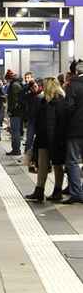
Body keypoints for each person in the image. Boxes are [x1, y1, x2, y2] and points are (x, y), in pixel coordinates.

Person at [24, 78, 67, 202]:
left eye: (43, 85)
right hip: (50, 138)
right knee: (48, 165)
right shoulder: (56, 101)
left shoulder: (51, 101)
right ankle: (45, 190)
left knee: (53, 165)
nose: (41, 87)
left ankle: (48, 191)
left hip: (52, 138)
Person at [63, 60, 83, 204]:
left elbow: (68, 108)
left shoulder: (73, 85)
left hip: (75, 129)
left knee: (73, 161)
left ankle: (76, 193)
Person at [5, 70, 24, 155]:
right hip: (17, 111)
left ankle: (16, 150)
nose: (7, 82)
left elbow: (15, 100)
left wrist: (11, 110)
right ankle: (16, 149)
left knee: (15, 131)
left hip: (16, 112)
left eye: (7, 80)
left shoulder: (14, 85)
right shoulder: (16, 84)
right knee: (15, 131)